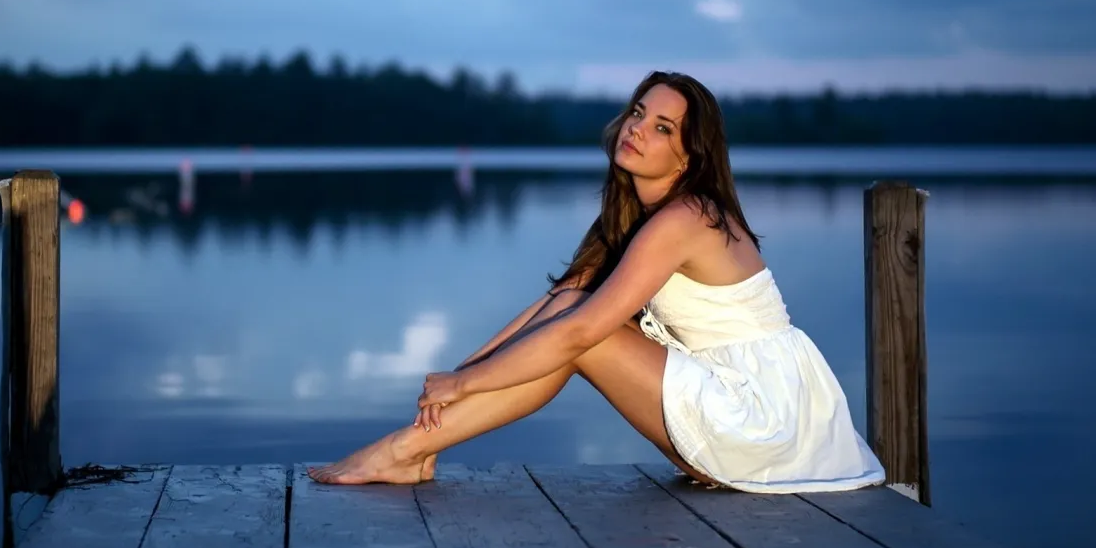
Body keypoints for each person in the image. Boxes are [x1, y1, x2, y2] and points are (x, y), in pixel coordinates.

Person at [308, 71, 885, 492]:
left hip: (763, 424)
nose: (638, 129)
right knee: (578, 316)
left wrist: (464, 387)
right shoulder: (636, 216)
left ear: (687, 157)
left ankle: (403, 451)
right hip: (723, 409)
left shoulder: (686, 219)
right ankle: (412, 448)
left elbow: (580, 331)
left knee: (591, 335)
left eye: (662, 128)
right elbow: (558, 303)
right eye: (638, 113)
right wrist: (460, 376)